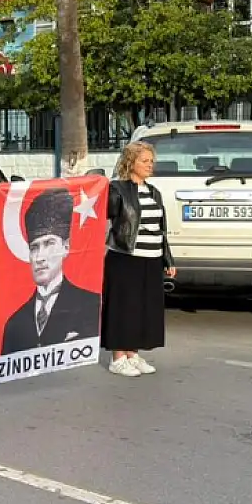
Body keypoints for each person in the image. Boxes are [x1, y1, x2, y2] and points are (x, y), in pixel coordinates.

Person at [0, 186, 101, 354]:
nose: (40, 257)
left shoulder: (90, 304)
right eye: (34, 247)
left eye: (49, 244)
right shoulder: (14, 323)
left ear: (66, 247)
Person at [102, 142, 175, 377]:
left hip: (151, 258)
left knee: (143, 309)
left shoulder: (154, 192)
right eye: (145, 161)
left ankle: (132, 355)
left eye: (151, 161)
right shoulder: (117, 190)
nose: (150, 165)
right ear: (131, 163)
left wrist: (168, 259)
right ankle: (118, 357)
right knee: (123, 308)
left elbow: (161, 228)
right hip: (125, 258)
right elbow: (101, 214)